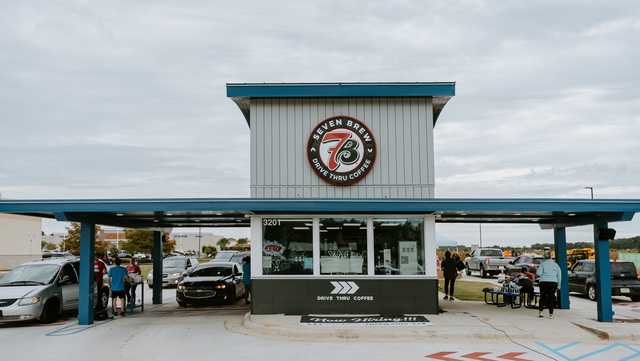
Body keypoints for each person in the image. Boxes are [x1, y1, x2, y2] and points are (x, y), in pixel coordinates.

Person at [536, 253, 562, 318]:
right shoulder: (556, 265)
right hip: (553, 283)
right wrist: (559, 285)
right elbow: (559, 276)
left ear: (545, 258)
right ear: (551, 258)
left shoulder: (543, 264)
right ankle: (551, 314)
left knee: (542, 297)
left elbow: (538, 273)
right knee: (551, 298)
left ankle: (541, 313)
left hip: (543, 282)